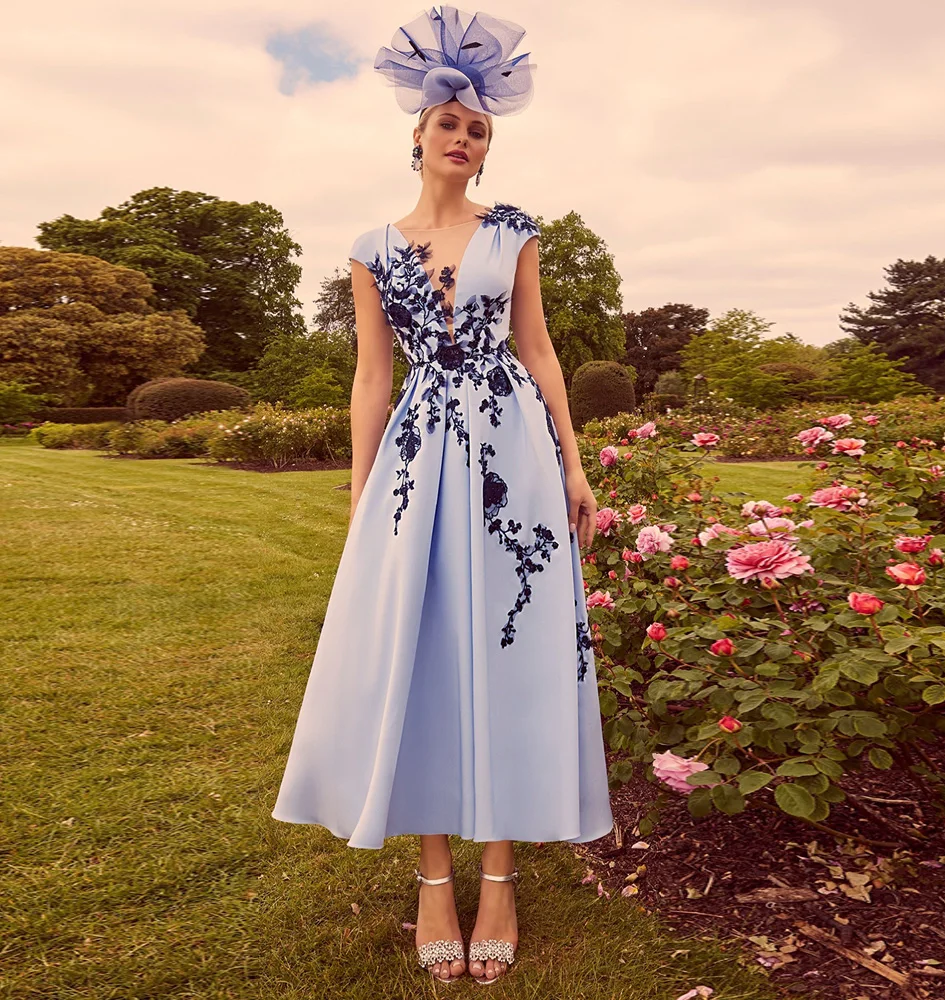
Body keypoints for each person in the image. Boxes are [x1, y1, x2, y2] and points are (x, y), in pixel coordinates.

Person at [271, 4, 614, 985]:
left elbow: (539, 349)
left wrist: (574, 463)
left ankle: (498, 872)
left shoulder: (515, 233)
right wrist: (358, 497)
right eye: (449, 124)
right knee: (419, 651)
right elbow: (371, 378)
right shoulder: (373, 247)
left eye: (479, 129)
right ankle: (433, 875)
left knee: (511, 651)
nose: (463, 138)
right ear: (417, 135)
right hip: (418, 465)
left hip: (513, 456)